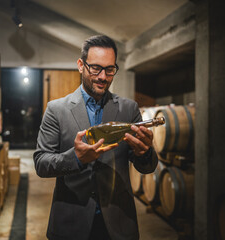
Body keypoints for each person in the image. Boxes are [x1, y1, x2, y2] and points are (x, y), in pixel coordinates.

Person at [33, 35, 158, 240]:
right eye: (95, 68)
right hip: (71, 222)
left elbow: (147, 167)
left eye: (110, 69)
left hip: (117, 223)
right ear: (81, 65)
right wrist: (76, 158)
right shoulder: (56, 110)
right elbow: (41, 163)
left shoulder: (129, 109)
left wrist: (144, 153)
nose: (103, 76)